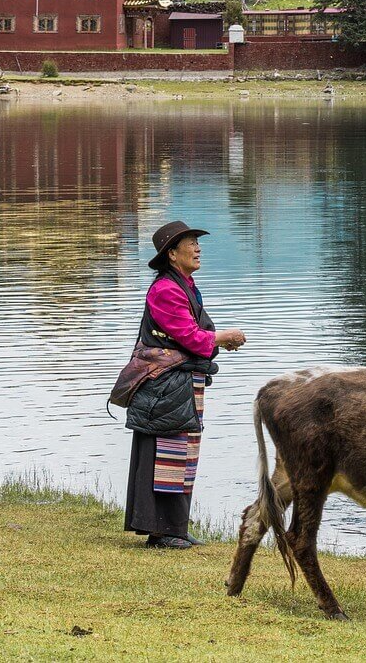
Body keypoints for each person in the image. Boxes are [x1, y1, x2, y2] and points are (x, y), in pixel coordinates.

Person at [121, 221, 246, 548]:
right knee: (166, 453)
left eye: (196, 241)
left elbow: (190, 335)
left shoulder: (185, 285)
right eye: (190, 242)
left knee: (183, 453)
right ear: (172, 254)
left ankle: (175, 527)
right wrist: (222, 337)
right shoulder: (166, 289)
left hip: (179, 383)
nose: (197, 247)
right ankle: (159, 531)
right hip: (165, 386)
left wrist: (215, 341)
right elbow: (188, 336)